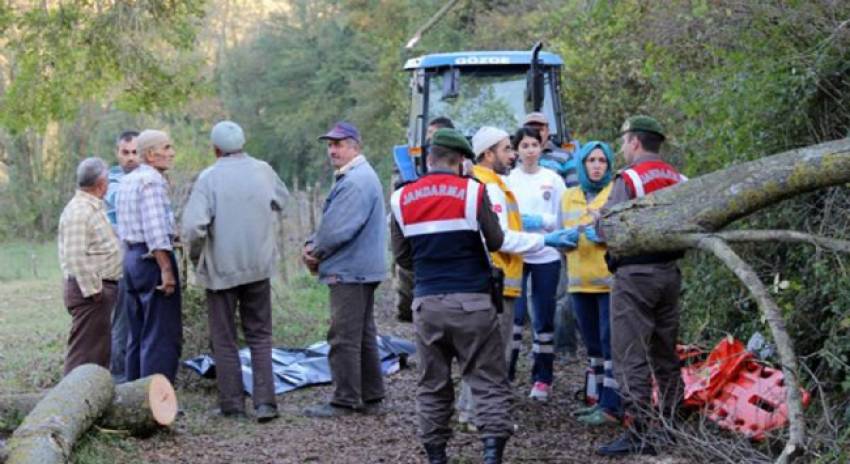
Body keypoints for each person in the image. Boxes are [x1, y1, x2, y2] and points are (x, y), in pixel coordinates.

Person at [390, 128, 576, 464]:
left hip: (428, 302)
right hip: (473, 301)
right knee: (488, 380)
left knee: (432, 384)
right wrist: (545, 242)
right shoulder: (473, 192)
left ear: (429, 158)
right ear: (462, 160)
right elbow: (495, 241)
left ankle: (436, 456)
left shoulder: (401, 198)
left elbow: (402, 257)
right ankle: (491, 456)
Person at [182, 121, 289, 422]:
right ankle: (266, 402)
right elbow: (282, 200)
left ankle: (232, 405)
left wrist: (195, 257)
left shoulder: (209, 178)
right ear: (243, 143)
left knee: (224, 337)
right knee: (260, 335)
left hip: (221, 271)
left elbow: (193, 227)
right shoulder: (264, 170)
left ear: (215, 149)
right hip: (258, 267)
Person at [595, 116, 686, 456]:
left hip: (635, 276)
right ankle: (673, 427)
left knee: (630, 353)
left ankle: (638, 430)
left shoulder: (629, 178)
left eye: (623, 142)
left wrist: (596, 222)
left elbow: (609, 228)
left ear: (634, 142)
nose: (622, 148)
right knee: (665, 352)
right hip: (669, 275)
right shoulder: (677, 178)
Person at [453, 126, 553, 428]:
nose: (513, 155)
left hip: (493, 281)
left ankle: (470, 412)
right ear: (488, 154)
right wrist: (545, 241)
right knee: (491, 355)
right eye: (507, 149)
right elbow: (501, 238)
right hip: (496, 283)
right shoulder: (489, 187)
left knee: (482, 353)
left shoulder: (492, 183)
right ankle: (483, 417)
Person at [301, 121, 387, 418]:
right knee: (362, 334)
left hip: (352, 270)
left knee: (343, 336)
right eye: (330, 145)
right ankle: (372, 396)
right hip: (363, 267)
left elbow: (336, 230)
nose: (332, 150)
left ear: (355, 146)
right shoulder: (361, 176)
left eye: (339, 144)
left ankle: (345, 400)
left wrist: (314, 252)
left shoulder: (354, 181)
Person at [559, 141, 622, 426]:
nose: (597, 166)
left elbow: (626, 234)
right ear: (582, 164)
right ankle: (597, 400)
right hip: (578, 282)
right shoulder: (568, 196)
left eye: (602, 161)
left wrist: (606, 236)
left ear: (609, 166)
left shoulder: (615, 192)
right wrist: (563, 241)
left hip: (608, 283)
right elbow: (560, 232)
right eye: (591, 161)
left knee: (610, 345)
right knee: (592, 345)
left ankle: (612, 405)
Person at [505, 126, 566, 400]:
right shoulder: (508, 181)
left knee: (543, 315)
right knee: (514, 316)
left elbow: (564, 216)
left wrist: (542, 222)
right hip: (517, 253)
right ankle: (506, 372)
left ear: (541, 148)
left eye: (534, 145)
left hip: (546, 253)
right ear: (516, 150)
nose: (530, 150)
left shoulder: (553, 179)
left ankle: (543, 377)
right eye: (524, 145)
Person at [117, 129, 182, 384]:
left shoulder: (128, 180)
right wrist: (166, 269)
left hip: (131, 259)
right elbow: (155, 232)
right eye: (166, 148)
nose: (171, 153)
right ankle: (155, 401)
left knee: (138, 332)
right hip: (151, 260)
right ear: (151, 154)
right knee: (160, 334)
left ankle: (132, 395)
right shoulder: (152, 181)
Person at [523, 112, 580, 363]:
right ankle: (538, 342)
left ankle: (564, 347)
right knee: (530, 296)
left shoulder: (564, 157)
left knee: (560, 294)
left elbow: (572, 193)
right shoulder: (516, 161)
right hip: (525, 240)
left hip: (556, 236)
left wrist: (566, 229)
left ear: (549, 130)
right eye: (531, 128)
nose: (538, 132)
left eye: (541, 128)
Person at [58, 157, 123, 375]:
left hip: (99, 290)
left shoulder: (92, 207)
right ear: (102, 183)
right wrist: (95, 291)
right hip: (90, 292)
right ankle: (67, 403)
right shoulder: (79, 211)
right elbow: (75, 256)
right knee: (83, 354)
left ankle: (92, 401)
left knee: (97, 352)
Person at [394, 116, 456, 323]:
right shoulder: (407, 186)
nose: (428, 143)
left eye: (433, 137)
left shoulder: (469, 185)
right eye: (428, 137)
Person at [104, 130, 139, 383]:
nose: (130, 158)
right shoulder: (112, 182)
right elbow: (118, 198)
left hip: (145, 259)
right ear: (117, 153)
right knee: (122, 321)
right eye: (125, 153)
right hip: (120, 260)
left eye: (135, 152)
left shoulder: (148, 178)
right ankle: (118, 376)